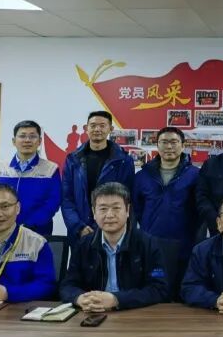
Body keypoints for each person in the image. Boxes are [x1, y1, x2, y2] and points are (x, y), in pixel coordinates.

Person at [60, 183, 168, 311]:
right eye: (103, 209)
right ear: (94, 212)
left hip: (134, 313)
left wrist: (117, 299)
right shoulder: (83, 245)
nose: (110, 215)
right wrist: (79, 298)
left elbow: (159, 289)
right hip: (93, 313)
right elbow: (67, 286)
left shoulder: (148, 244)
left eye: (116, 208)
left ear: (127, 210)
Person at [132, 126, 199, 291]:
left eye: (174, 142)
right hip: (150, 243)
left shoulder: (195, 175)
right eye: (164, 142)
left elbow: (199, 210)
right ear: (157, 145)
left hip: (184, 245)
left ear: (183, 146)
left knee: (181, 292)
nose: (169, 146)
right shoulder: (142, 176)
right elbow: (137, 208)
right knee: (152, 291)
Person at [61, 110, 135, 241]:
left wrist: (107, 226)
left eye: (102, 125)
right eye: (93, 125)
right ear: (86, 128)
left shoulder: (123, 161)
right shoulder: (73, 159)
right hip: (80, 231)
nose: (97, 129)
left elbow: (126, 198)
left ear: (110, 129)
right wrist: (78, 227)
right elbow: (66, 198)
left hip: (111, 230)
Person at [0, 120, 61, 236]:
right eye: (22, 136)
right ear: (14, 141)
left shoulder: (50, 169)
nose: (27, 140)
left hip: (37, 231)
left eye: (32, 136)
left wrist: (30, 224)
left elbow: (53, 201)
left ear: (39, 141)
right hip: (2, 229)